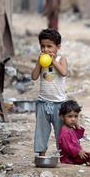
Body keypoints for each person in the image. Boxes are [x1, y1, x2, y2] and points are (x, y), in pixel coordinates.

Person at [31, 29, 68, 157]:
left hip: (59, 103)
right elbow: (34, 76)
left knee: (60, 131)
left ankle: (62, 153)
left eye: (49, 46)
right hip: (42, 101)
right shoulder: (41, 60)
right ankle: (42, 154)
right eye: (43, 46)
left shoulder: (61, 59)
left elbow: (63, 72)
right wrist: (38, 63)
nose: (46, 50)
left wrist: (53, 62)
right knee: (42, 130)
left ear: (58, 47)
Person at [58, 100, 90, 167]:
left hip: (74, 155)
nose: (73, 119)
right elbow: (68, 147)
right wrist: (78, 151)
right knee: (88, 156)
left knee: (88, 154)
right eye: (70, 116)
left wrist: (78, 127)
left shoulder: (71, 128)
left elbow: (78, 137)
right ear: (62, 117)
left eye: (75, 116)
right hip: (69, 158)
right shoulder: (64, 131)